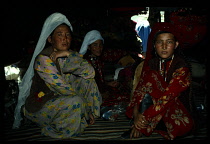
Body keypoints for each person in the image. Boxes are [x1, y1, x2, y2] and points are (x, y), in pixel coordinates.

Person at [12, 12, 102, 138]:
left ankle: (84, 117)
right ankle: (53, 129)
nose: (65, 39)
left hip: (62, 100)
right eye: (59, 35)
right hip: (41, 104)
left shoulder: (68, 54)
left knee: (88, 81)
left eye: (67, 35)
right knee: (75, 101)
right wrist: (86, 110)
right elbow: (63, 88)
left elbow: (90, 72)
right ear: (50, 39)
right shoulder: (43, 59)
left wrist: (68, 54)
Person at [123, 30, 195, 140]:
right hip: (153, 112)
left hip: (175, 110)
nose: (164, 46)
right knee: (149, 79)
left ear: (175, 45)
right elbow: (140, 90)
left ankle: (142, 126)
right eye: (160, 42)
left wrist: (143, 120)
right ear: (154, 45)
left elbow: (168, 97)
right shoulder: (152, 64)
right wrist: (136, 115)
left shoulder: (181, 66)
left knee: (153, 79)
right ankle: (142, 124)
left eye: (169, 42)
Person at [79, 30, 131, 107]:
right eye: (95, 45)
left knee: (125, 93)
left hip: (100, 90)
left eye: (100, 45)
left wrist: (108, 84)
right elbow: (86, 85)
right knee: (121, 99)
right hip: (90, 95)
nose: (98, 48)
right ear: (89, 47)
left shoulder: (97, 60)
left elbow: (98, 81)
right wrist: (100, 93)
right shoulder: (85, 63)